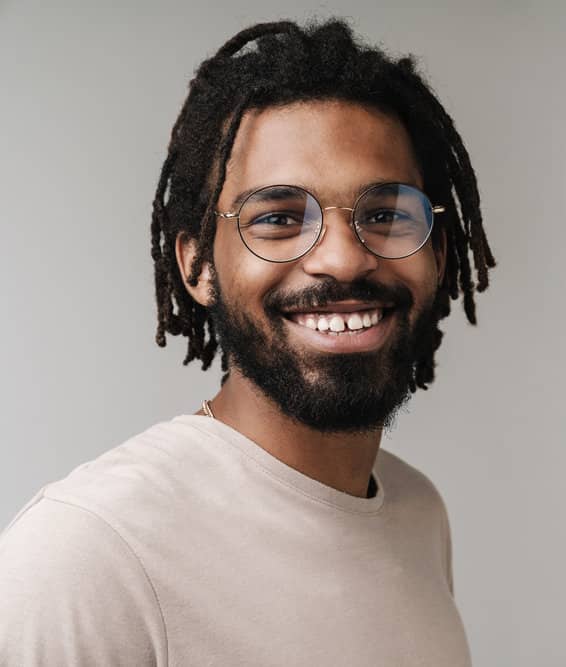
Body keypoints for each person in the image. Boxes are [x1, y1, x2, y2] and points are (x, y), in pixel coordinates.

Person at [0, 17, 495, 666]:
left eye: (384, 213)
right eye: (280, 218)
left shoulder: (419, 516)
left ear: (437, 251)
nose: (343, 260)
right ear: (199, 266)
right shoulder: (91, 554)